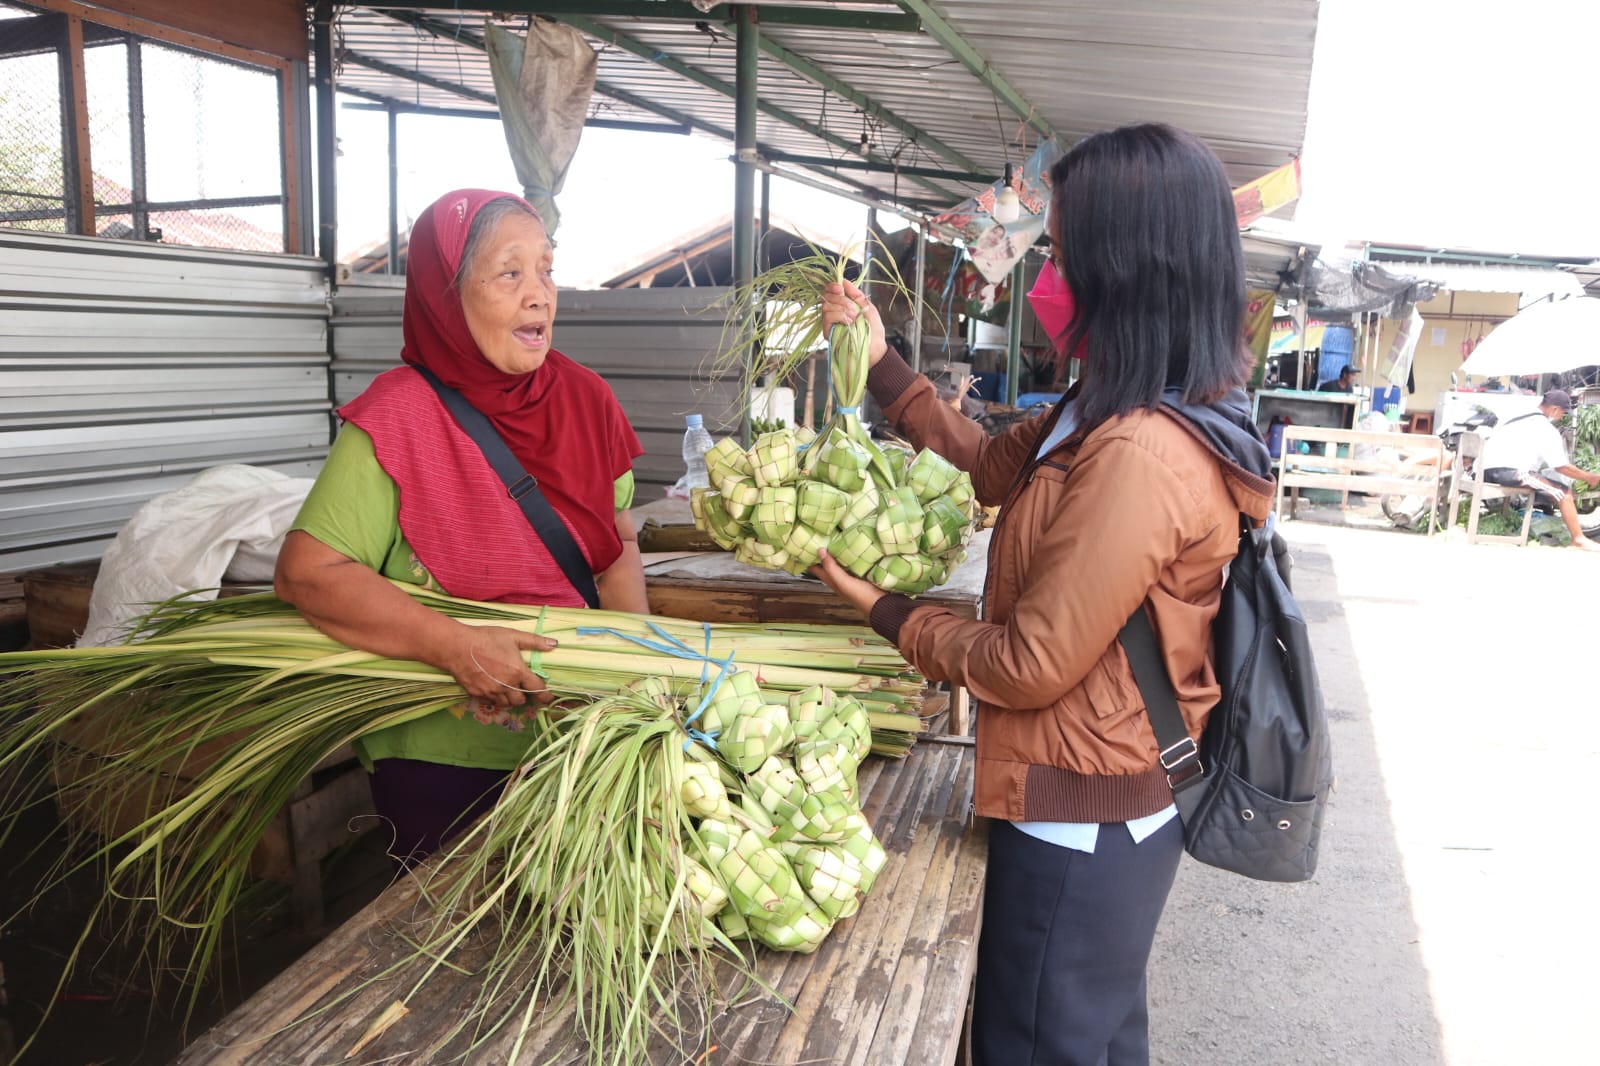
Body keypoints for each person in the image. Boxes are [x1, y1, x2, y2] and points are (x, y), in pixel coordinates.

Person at [815, 123, 1275, 1066]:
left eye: (1059, 252)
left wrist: (889, 611)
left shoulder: (1144, 449)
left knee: (1032, 1043)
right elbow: (989, 465)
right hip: (1103, 797)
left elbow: (1028, 667)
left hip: (1085, 819)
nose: (1042, 279)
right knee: (1096, 1040)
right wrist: (882, 361)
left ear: (1125, 266)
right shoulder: (1101, 402)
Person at [275, 189, 648, 865]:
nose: (540, 295)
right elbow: (309, 572)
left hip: (580, 738)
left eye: (546, 269)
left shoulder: (588, 401)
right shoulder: (397, 419)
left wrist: (634, 672)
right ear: (446, 294)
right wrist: (452, 645)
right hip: (442, 754)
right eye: (511, 273)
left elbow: (615, 548)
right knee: (451, 941)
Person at [1478, 388, 1600, 551]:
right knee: (1563, 493)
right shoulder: (1545, 428)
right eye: (1563, 413)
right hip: (1507, 471)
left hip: (1485, 468)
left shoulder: (1518, 416)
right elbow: (1561, 466)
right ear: (1555, 409)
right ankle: (1578, 539)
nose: (1561, 418)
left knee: (1547, 483)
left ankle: (1578, 537)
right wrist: (1589, 477)